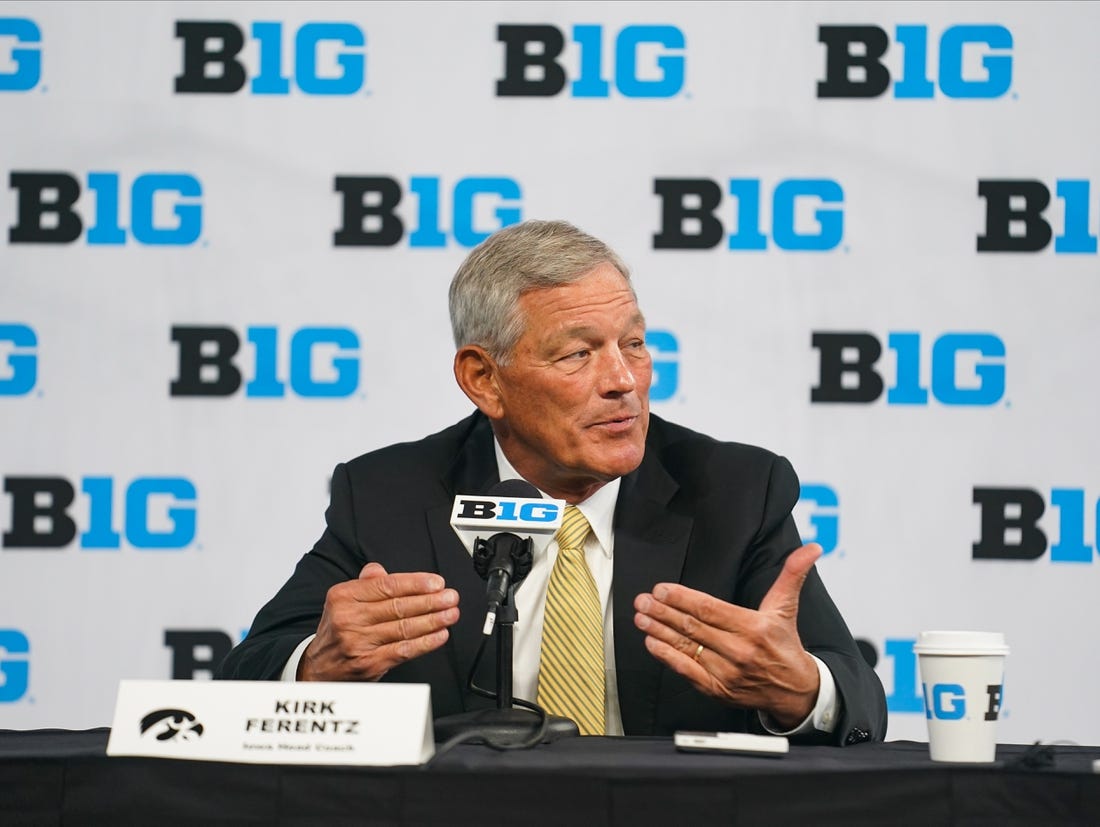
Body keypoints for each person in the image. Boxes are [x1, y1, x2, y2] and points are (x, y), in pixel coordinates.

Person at [217, 219, 887, 745]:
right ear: (484, 378)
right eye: (578, 353)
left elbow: (858, 698)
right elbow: (244, 677)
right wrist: (313, 664)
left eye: (634, 344)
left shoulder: (736, 492)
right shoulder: (391, 493)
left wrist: (800, 689)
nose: (623, 380)